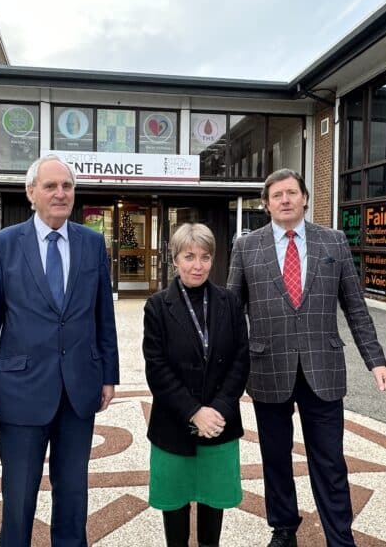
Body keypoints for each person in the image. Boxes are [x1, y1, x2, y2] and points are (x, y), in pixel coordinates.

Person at [227, 168, 386, 547]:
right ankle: (283, 528)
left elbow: (355, 306)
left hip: (323, 367)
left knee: (330, 460)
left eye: (291, 193)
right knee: (275, 456)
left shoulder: (333, 242)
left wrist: (376, 360)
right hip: (268, 367)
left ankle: (340, 535)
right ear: (266, 204)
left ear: (304, 198)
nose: (284, 200)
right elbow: (232, 313)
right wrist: (223, 374)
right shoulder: (246, 247)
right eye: (276, 195)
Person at [0, 154, 119, 547]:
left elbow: (104, 316)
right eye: (50, 186)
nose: (60, 193)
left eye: (67, 186)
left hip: (78, 392)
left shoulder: (92, 242)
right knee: (18, 500)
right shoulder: (3, 245)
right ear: (31, 192)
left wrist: (108, 374)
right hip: (20, 393)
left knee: (73, 496)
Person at [143, 223, 249, 547]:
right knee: (174, 509)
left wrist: (217, 410)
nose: (197, 265)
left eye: (205, 257)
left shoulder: (229, 302)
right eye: (189, 256)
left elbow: (240, 360)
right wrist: (193, 412)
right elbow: (157, 368)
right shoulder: (158, 306)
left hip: (219, 424)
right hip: (174, 425)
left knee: (212, 506)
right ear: (175, 259)